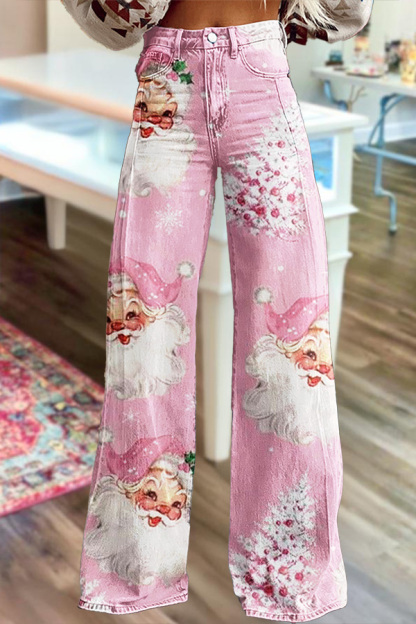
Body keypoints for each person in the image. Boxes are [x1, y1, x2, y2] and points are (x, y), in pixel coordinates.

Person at [61, 0, 373, 620]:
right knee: (142, 336)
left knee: (294, 351)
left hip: (260, 74)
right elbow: (107, 19)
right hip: (167, 86)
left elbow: (347, 11)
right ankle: (138, 567)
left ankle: (290, 575)